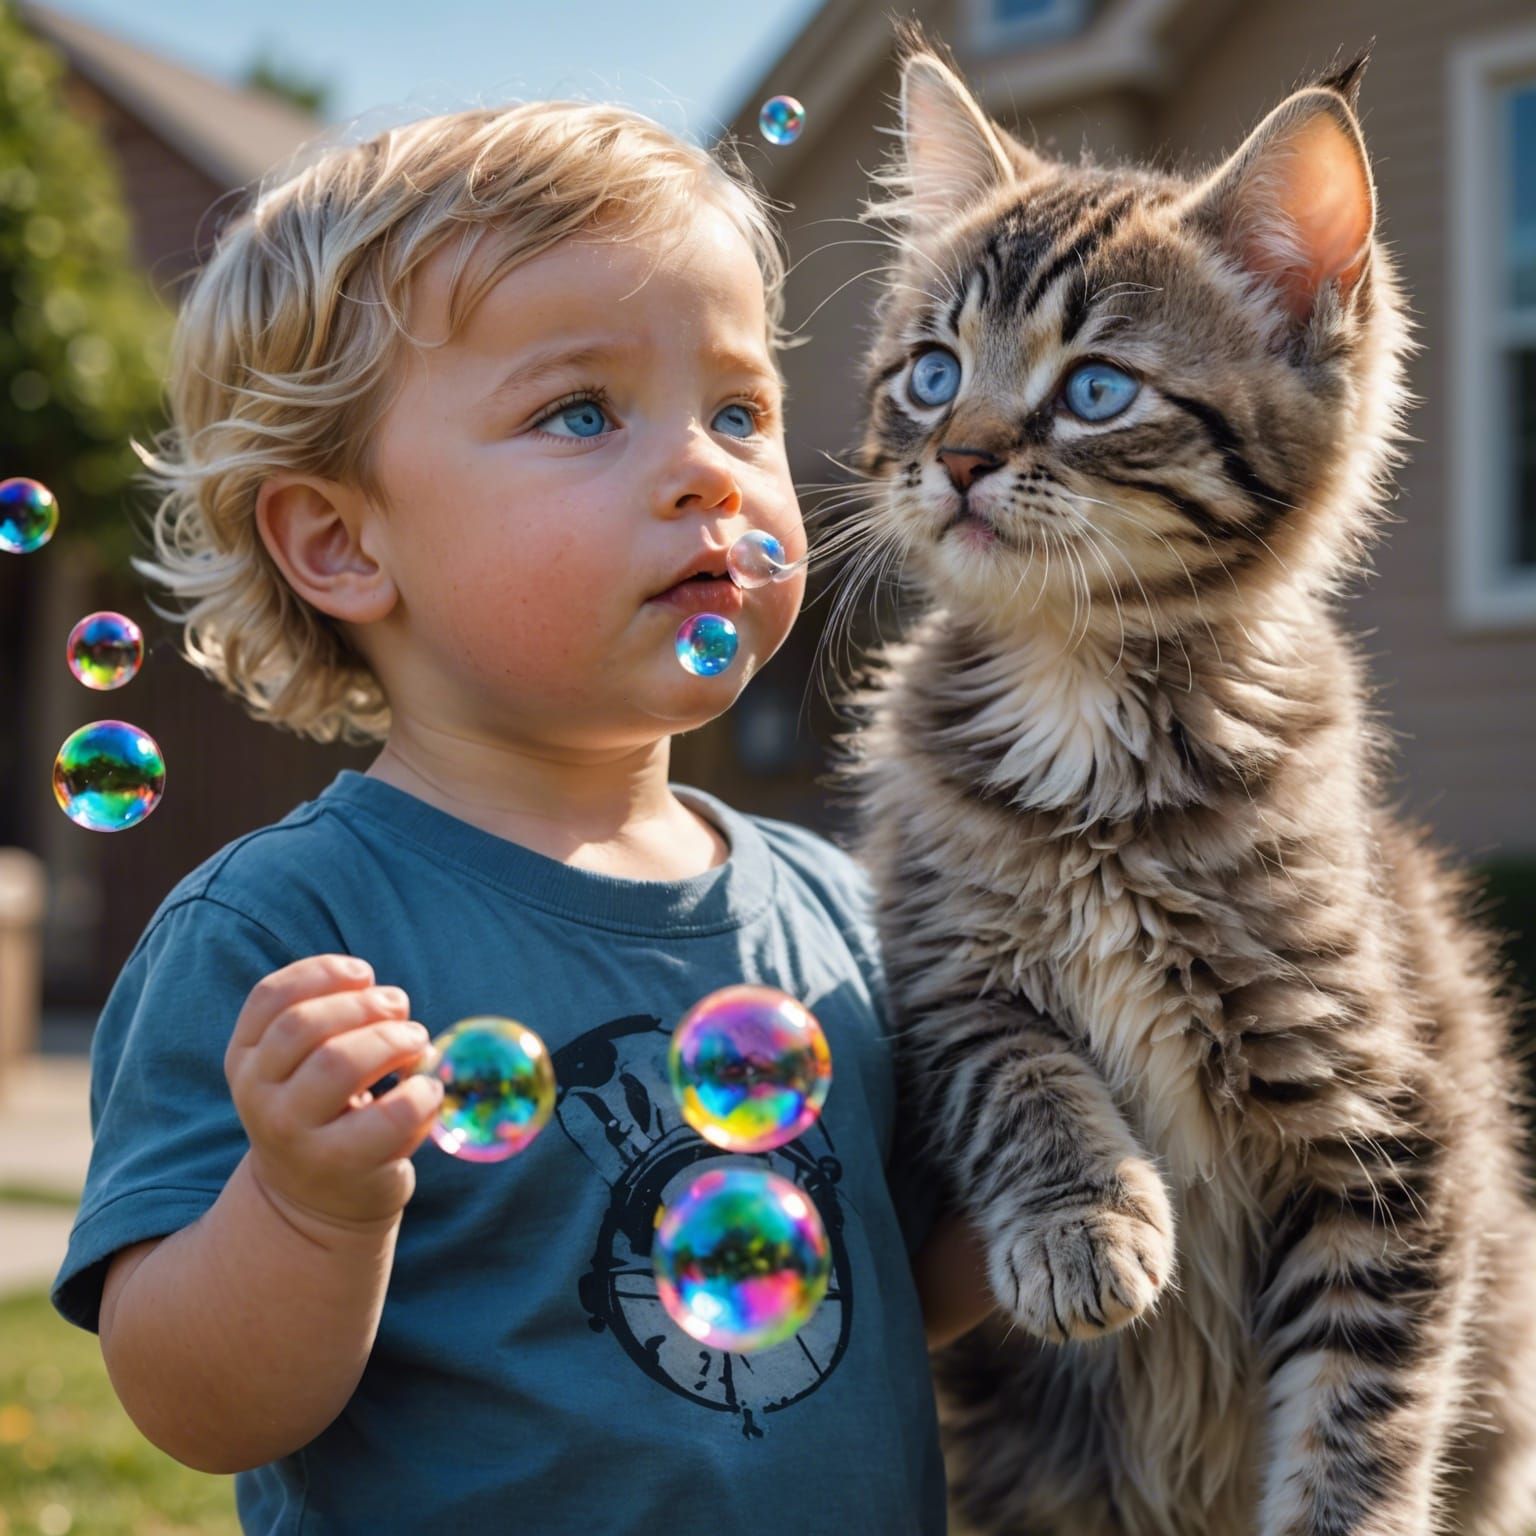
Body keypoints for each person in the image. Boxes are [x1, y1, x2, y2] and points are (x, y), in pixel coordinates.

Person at [49, 98, 994, 1532]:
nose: (709, 469)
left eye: (740, 408)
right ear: (342, 542)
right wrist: (308, 1208)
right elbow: (196, 1407)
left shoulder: (842, 911)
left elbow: (877, 1291)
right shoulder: (286, 932)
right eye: (581, 412)